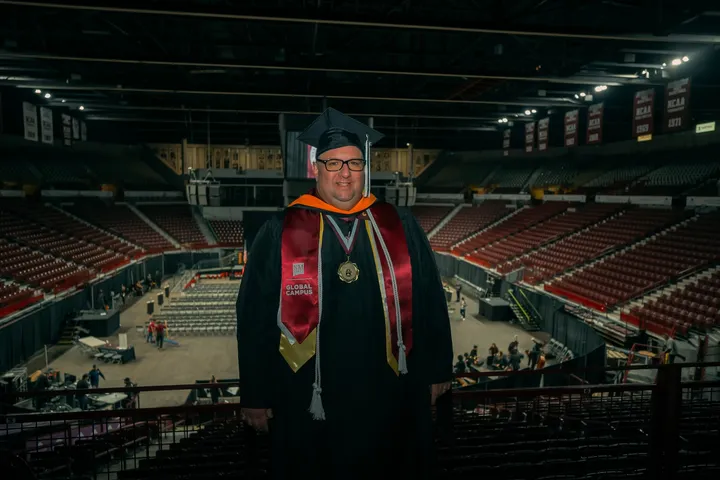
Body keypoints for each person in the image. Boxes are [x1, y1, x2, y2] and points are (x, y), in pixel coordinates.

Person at [236, 108, 453, 479]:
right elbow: (254, 316)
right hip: (310, 393)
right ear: (316, 169)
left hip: (389, 389)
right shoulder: (280, 231)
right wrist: (255, 394)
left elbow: (430, 299)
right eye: (333, 163)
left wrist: (436, 369)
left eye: (354, 162)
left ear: (365, 169)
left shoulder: (399, 225)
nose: (345, 173)